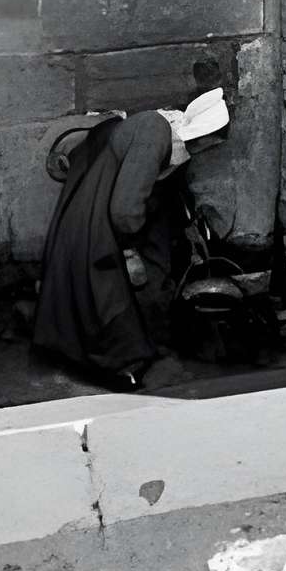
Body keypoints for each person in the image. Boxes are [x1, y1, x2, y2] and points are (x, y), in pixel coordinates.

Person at [32, 89, 228, 387]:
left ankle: (139, 345)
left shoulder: (169, 138)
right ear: (205, 135)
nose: (213, 147)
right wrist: (129, 247)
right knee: (104, 287)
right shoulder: (154, 132)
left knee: (124, 281)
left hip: (111, 203)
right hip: (101, 210)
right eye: (214, 140)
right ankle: (120, 363)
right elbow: (124, 209)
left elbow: (166, 190)